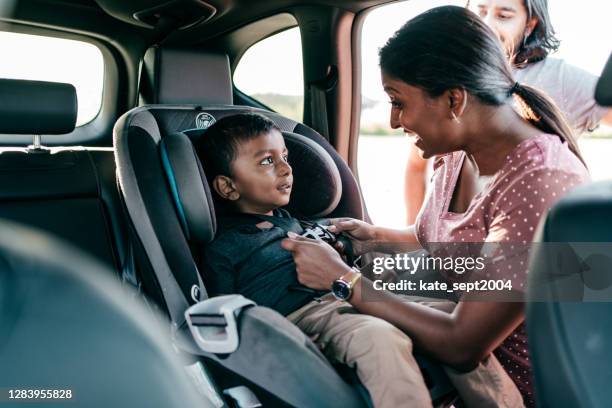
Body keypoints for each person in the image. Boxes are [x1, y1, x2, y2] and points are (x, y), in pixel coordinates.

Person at [281, 6, 590, 408]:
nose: (394, 121)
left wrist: (344, 281)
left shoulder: (539, 180)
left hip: (524, 390)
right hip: (457, 371)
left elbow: (463, 344)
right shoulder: (457, 153)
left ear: (454, 100)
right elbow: (451, 239)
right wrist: (375, 238)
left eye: (398, 101)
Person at [195, 113, 434, 408]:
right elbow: (227, 319)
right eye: (267, 161)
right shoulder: (225, 246)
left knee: (446, 315)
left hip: (349, 297)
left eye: (284, 156)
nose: (286, 168)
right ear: (228, 187)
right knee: (379, 338)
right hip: (303, 318)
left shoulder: (297, 223)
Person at [403, 0, 611, 225]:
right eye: (480, 11)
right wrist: (415, 242)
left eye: (504, 16)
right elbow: (416, 166)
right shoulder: (449, 75)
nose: (486, 24)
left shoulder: (562, 79)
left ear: (530, 25)